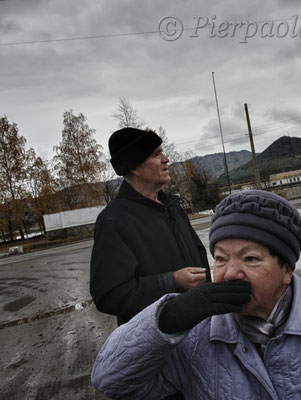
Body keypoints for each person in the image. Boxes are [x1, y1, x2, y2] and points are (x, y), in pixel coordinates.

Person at [91, 190, 301, 400]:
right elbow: (111, 381)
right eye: (220, 258)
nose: (230, 273)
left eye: (250, 259)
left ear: (286, 269)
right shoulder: (195, 334)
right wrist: (169, 317)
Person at [90, 127, 211, 326]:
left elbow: (199, 257)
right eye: (157, 154)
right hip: (158, 343)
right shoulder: (114, 221)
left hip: (200, 326)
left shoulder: (173, 206)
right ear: (135, 167)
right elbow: (109, 296)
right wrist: (172, 281)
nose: (166, 159)